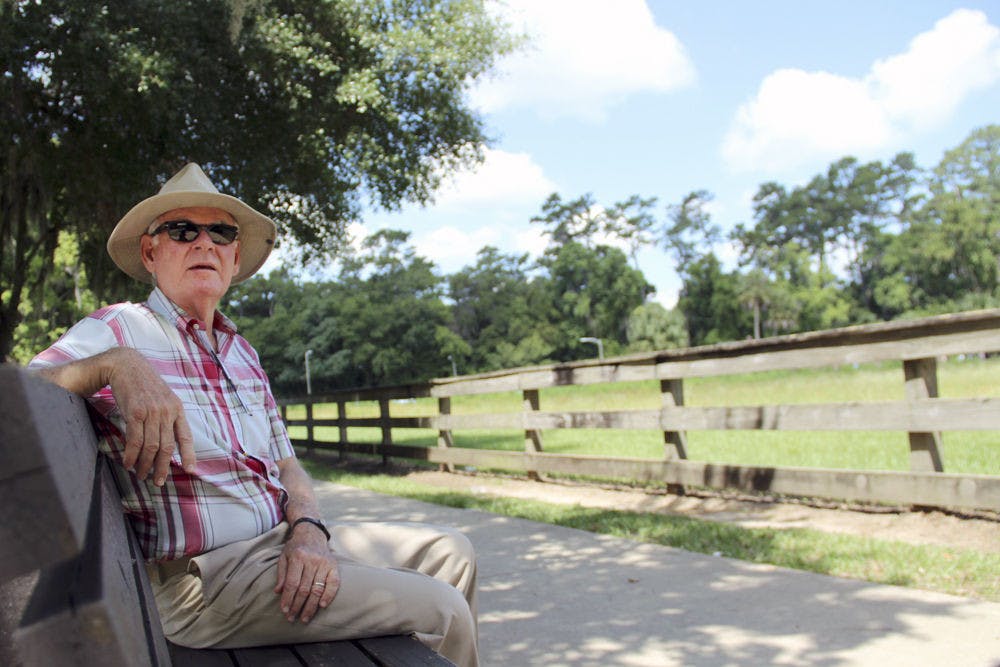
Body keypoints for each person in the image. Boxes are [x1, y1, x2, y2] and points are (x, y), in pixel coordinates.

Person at [29, 163, 479, 666]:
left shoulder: (241, 352)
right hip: (208, 582)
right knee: (446, 609)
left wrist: (308, 528)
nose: (204, 243)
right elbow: (20, 397)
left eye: (220, 232)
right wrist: (116, 364)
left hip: (280, 540)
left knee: (451, 551)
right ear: (151, 252)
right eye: (182, 230)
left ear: (235, 255)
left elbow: (287, 465)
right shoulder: (119, 329)